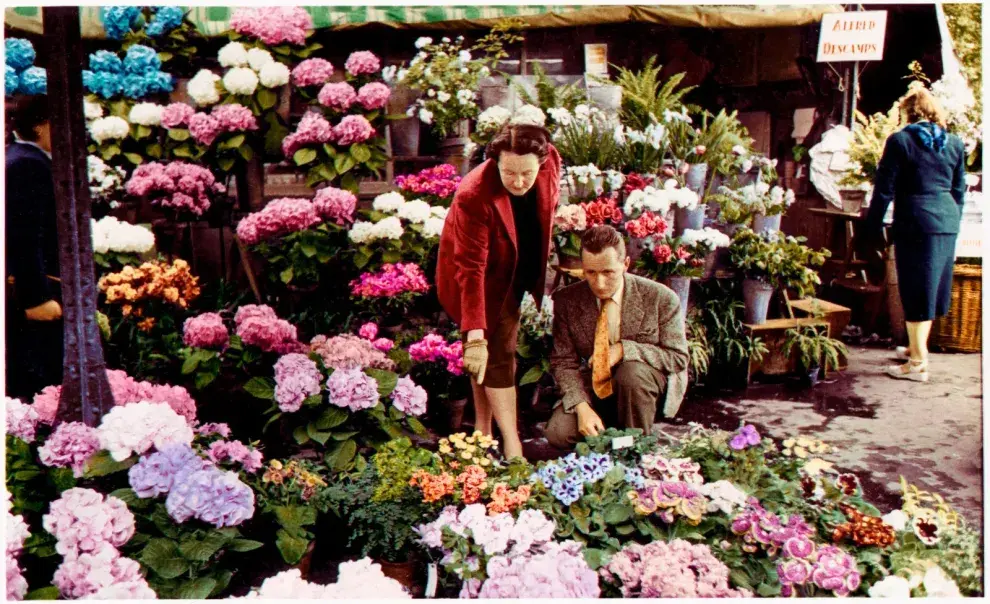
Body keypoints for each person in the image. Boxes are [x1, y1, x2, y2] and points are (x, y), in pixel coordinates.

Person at [436, 114, 562, 460]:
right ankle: (513, 443)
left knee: (491, 354)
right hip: (478, 274)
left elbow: (548, 202)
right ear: (495, 162)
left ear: (542, 161)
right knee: (495, 352)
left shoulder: (551, 160)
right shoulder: (473, 194)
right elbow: (471, 269)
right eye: (510, 173)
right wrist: (474, 333)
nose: (519, 181)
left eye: (527, 173)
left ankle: (483, 428)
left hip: (517, 259)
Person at [545, 226, 689, 449]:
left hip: (641, 387)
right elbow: (563, 362)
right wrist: (581, 407)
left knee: (631, 373)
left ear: (626, 264)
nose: (599, 283)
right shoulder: (567, 300)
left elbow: (677, 358)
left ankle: (636, 447)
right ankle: (607, 442)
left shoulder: (661, 298)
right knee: (558, 433)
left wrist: (624, 349)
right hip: (596, 384)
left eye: (608, 273)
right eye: (590, 273)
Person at [864, 86, 967, 383]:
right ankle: (914, 349)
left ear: (909, 112)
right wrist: (952, 221)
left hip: (915, 221)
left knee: (914, 288)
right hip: (946, 221)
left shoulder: (900, 141)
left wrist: (871, 226)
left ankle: (919, 364)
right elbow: (959, 192)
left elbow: (884, 189)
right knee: (931, 288)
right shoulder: (955, 143)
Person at [5, 94, 63, 398]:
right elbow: (21, 237)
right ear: (41, 127)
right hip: (35, 297)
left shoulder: (18, 158)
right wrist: (36, 299)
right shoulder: (28, 165)